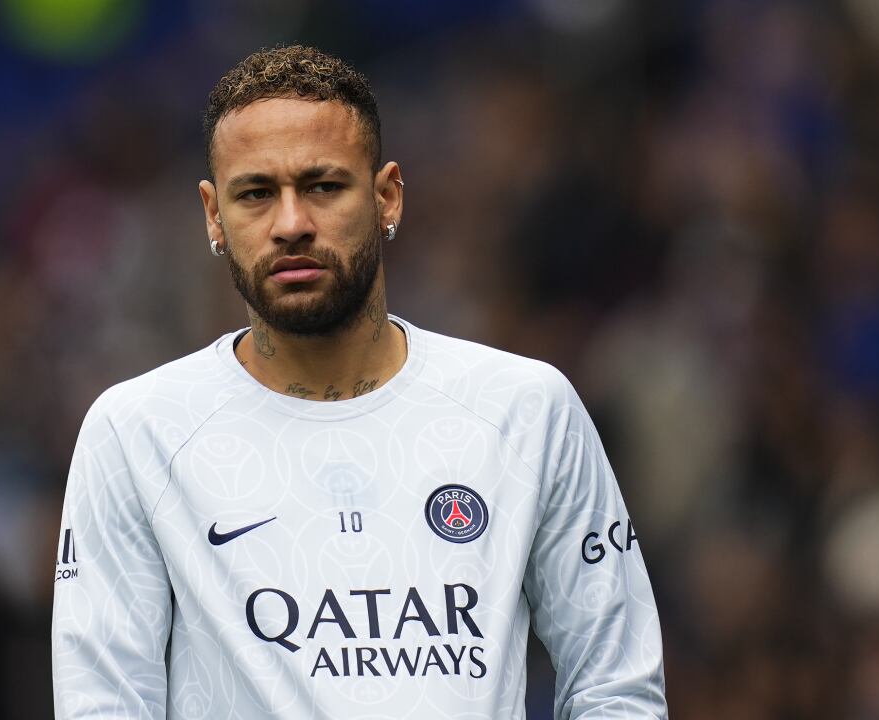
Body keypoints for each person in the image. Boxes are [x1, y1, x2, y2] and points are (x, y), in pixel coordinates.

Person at [50, 45, 666, 719]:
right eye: (256, 193)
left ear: (387, 196)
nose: (291, 224)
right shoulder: (137, 434)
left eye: (323, 186)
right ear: (213, 216)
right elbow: (103, 706)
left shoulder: (525, 410)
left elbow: (617, 688)